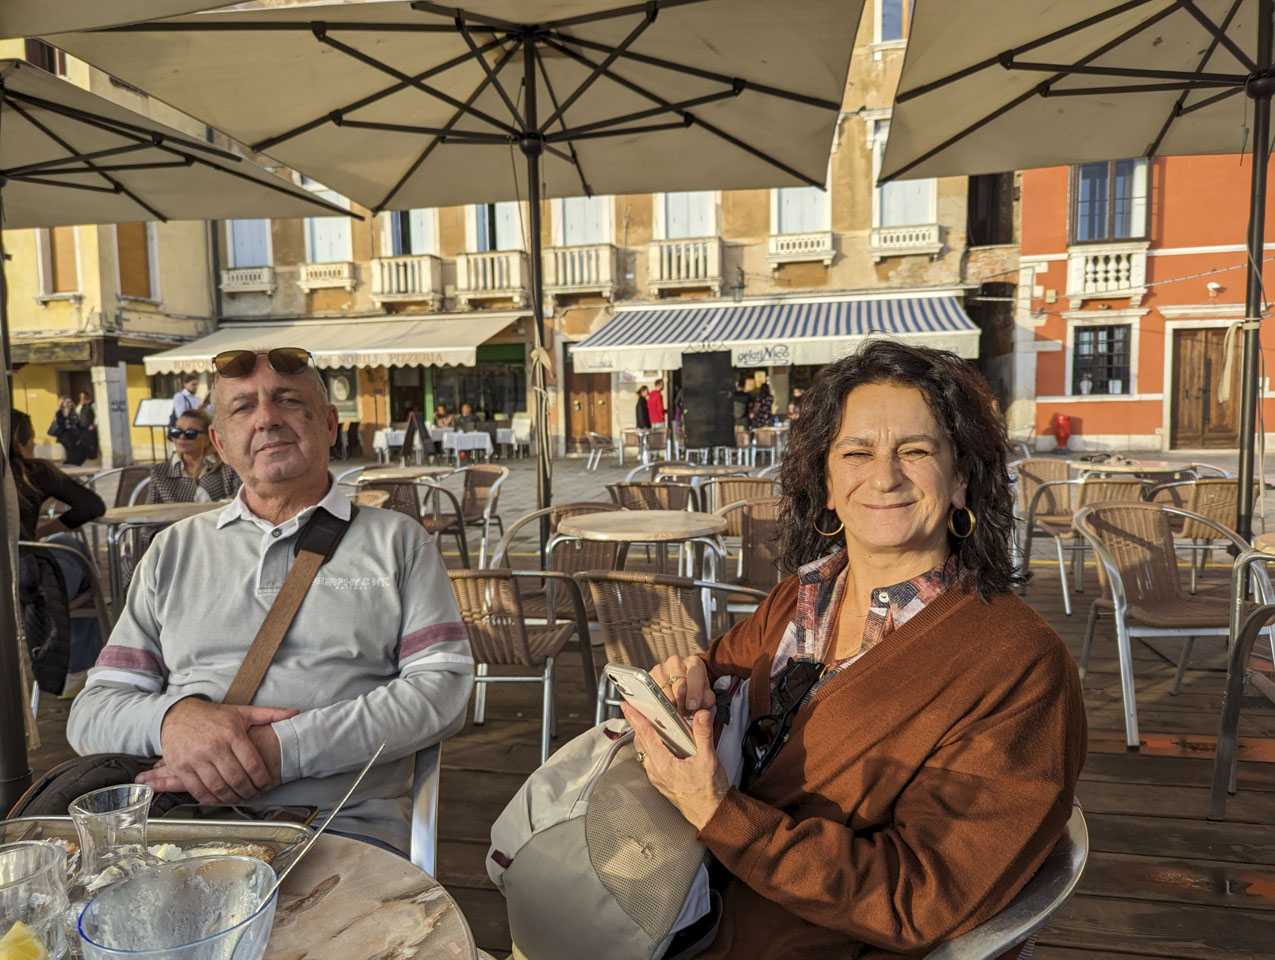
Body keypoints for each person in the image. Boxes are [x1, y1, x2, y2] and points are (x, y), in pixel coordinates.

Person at [621, 340, 1086, 958]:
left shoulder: (1017, 663)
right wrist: (688, 681)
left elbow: (919, 897)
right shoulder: (800, 599)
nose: (885, 475)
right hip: (676, 910)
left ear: (961, 479)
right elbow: (721, 668)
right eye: (857, 452)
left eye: (915, 451)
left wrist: (721, 815)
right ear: (830, 485)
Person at [68, 347, 474, 854]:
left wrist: (283, 751)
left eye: (287, 401)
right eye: (242, 408)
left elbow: (444, 689)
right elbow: (92, 712)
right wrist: (173, 720)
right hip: (176, 832)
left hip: (337, 829)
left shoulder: (398, 542)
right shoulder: (173, 549)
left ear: (328, 425)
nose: (266, 418)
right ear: (220, 440)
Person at [11, 409, 106, 694]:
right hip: (25, 582)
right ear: (22, 442)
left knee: (67, 547)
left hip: (19, 580)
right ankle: (78, 668)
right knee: (72, 549)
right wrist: (40, 532)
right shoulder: (32, 472)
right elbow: (92, 506)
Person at [147, 409, 241, 503]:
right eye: (176, 432)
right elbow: (150, 512)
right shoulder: (159, 472)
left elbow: (239, 504)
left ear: (209, 436)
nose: (182, 437)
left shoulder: (227, 467)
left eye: (190, 433)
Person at [49, 396, 88, 466]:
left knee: (81, 451)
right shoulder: (59, 413)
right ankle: (69, 465)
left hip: (75, 435)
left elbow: (78, 424)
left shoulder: (73, 412)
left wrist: (82, 432)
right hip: (65, 436)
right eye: (67, 402)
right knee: (71, 451)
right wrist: (65, 416)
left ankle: (71, 464)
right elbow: (60, 424)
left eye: (70, 402)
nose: (69, 404)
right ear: (62, 404)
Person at [76, 390, 99, 460]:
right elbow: (77, 412)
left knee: (92, 442)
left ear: (87, 396)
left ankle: (93, 456)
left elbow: (97, 415)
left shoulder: (92, 404)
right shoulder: (81, 405)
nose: (82, 398)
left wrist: (94, 424)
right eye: (81, 397)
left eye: (84, 396)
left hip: (90, 425)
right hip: (83, 426)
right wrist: (81, 405)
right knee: (84, 441)